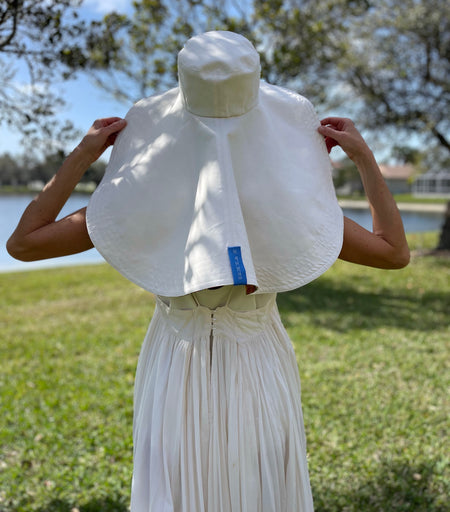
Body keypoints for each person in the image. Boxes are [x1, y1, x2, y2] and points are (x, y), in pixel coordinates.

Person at [7, 31, 409, 512]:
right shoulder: (292, 203)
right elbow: (394, 252)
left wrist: (84, 155)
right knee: (259, 488)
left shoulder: (139, 200)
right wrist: (363, 159)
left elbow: (24, 243)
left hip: (175, 360)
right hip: (258, 358)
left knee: (177, 488)